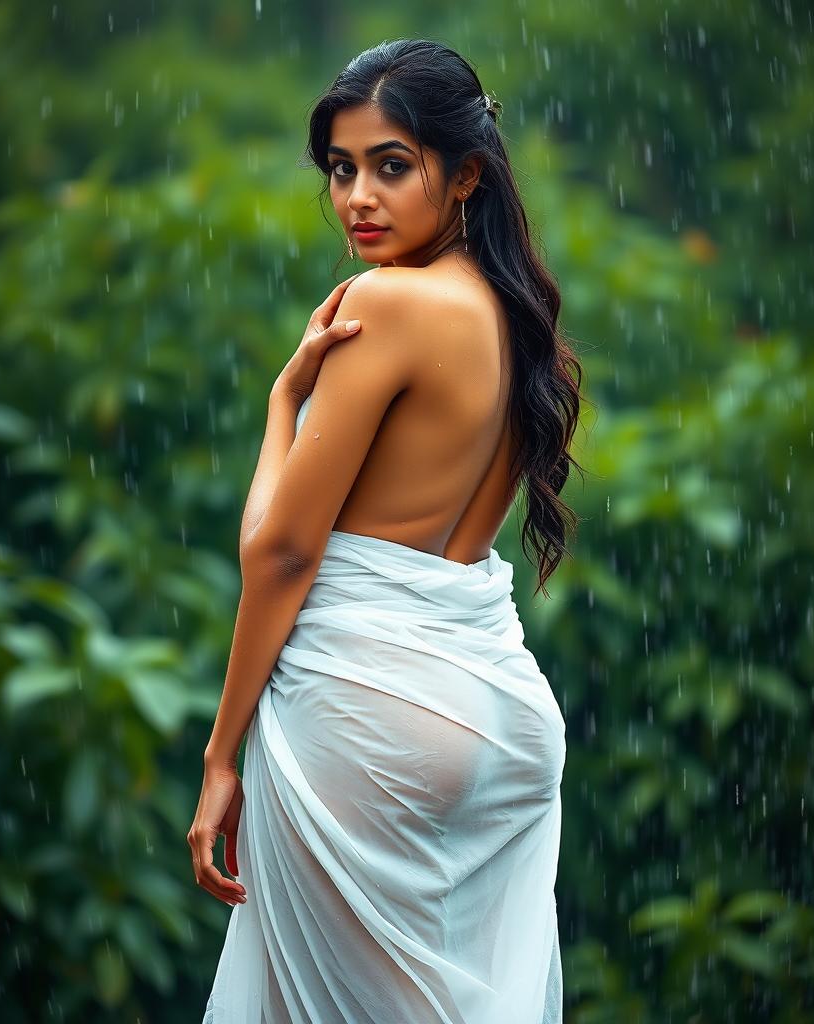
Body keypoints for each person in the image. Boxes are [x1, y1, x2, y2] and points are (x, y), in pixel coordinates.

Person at [189, 37, 585, 1024]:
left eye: (390, 165)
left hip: (373, 716)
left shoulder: (386, 303)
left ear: (463, 177)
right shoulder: (509, 311)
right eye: (341, 168)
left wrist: (220, 754)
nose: (357, 196)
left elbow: (279, 547)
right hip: (498, 715)